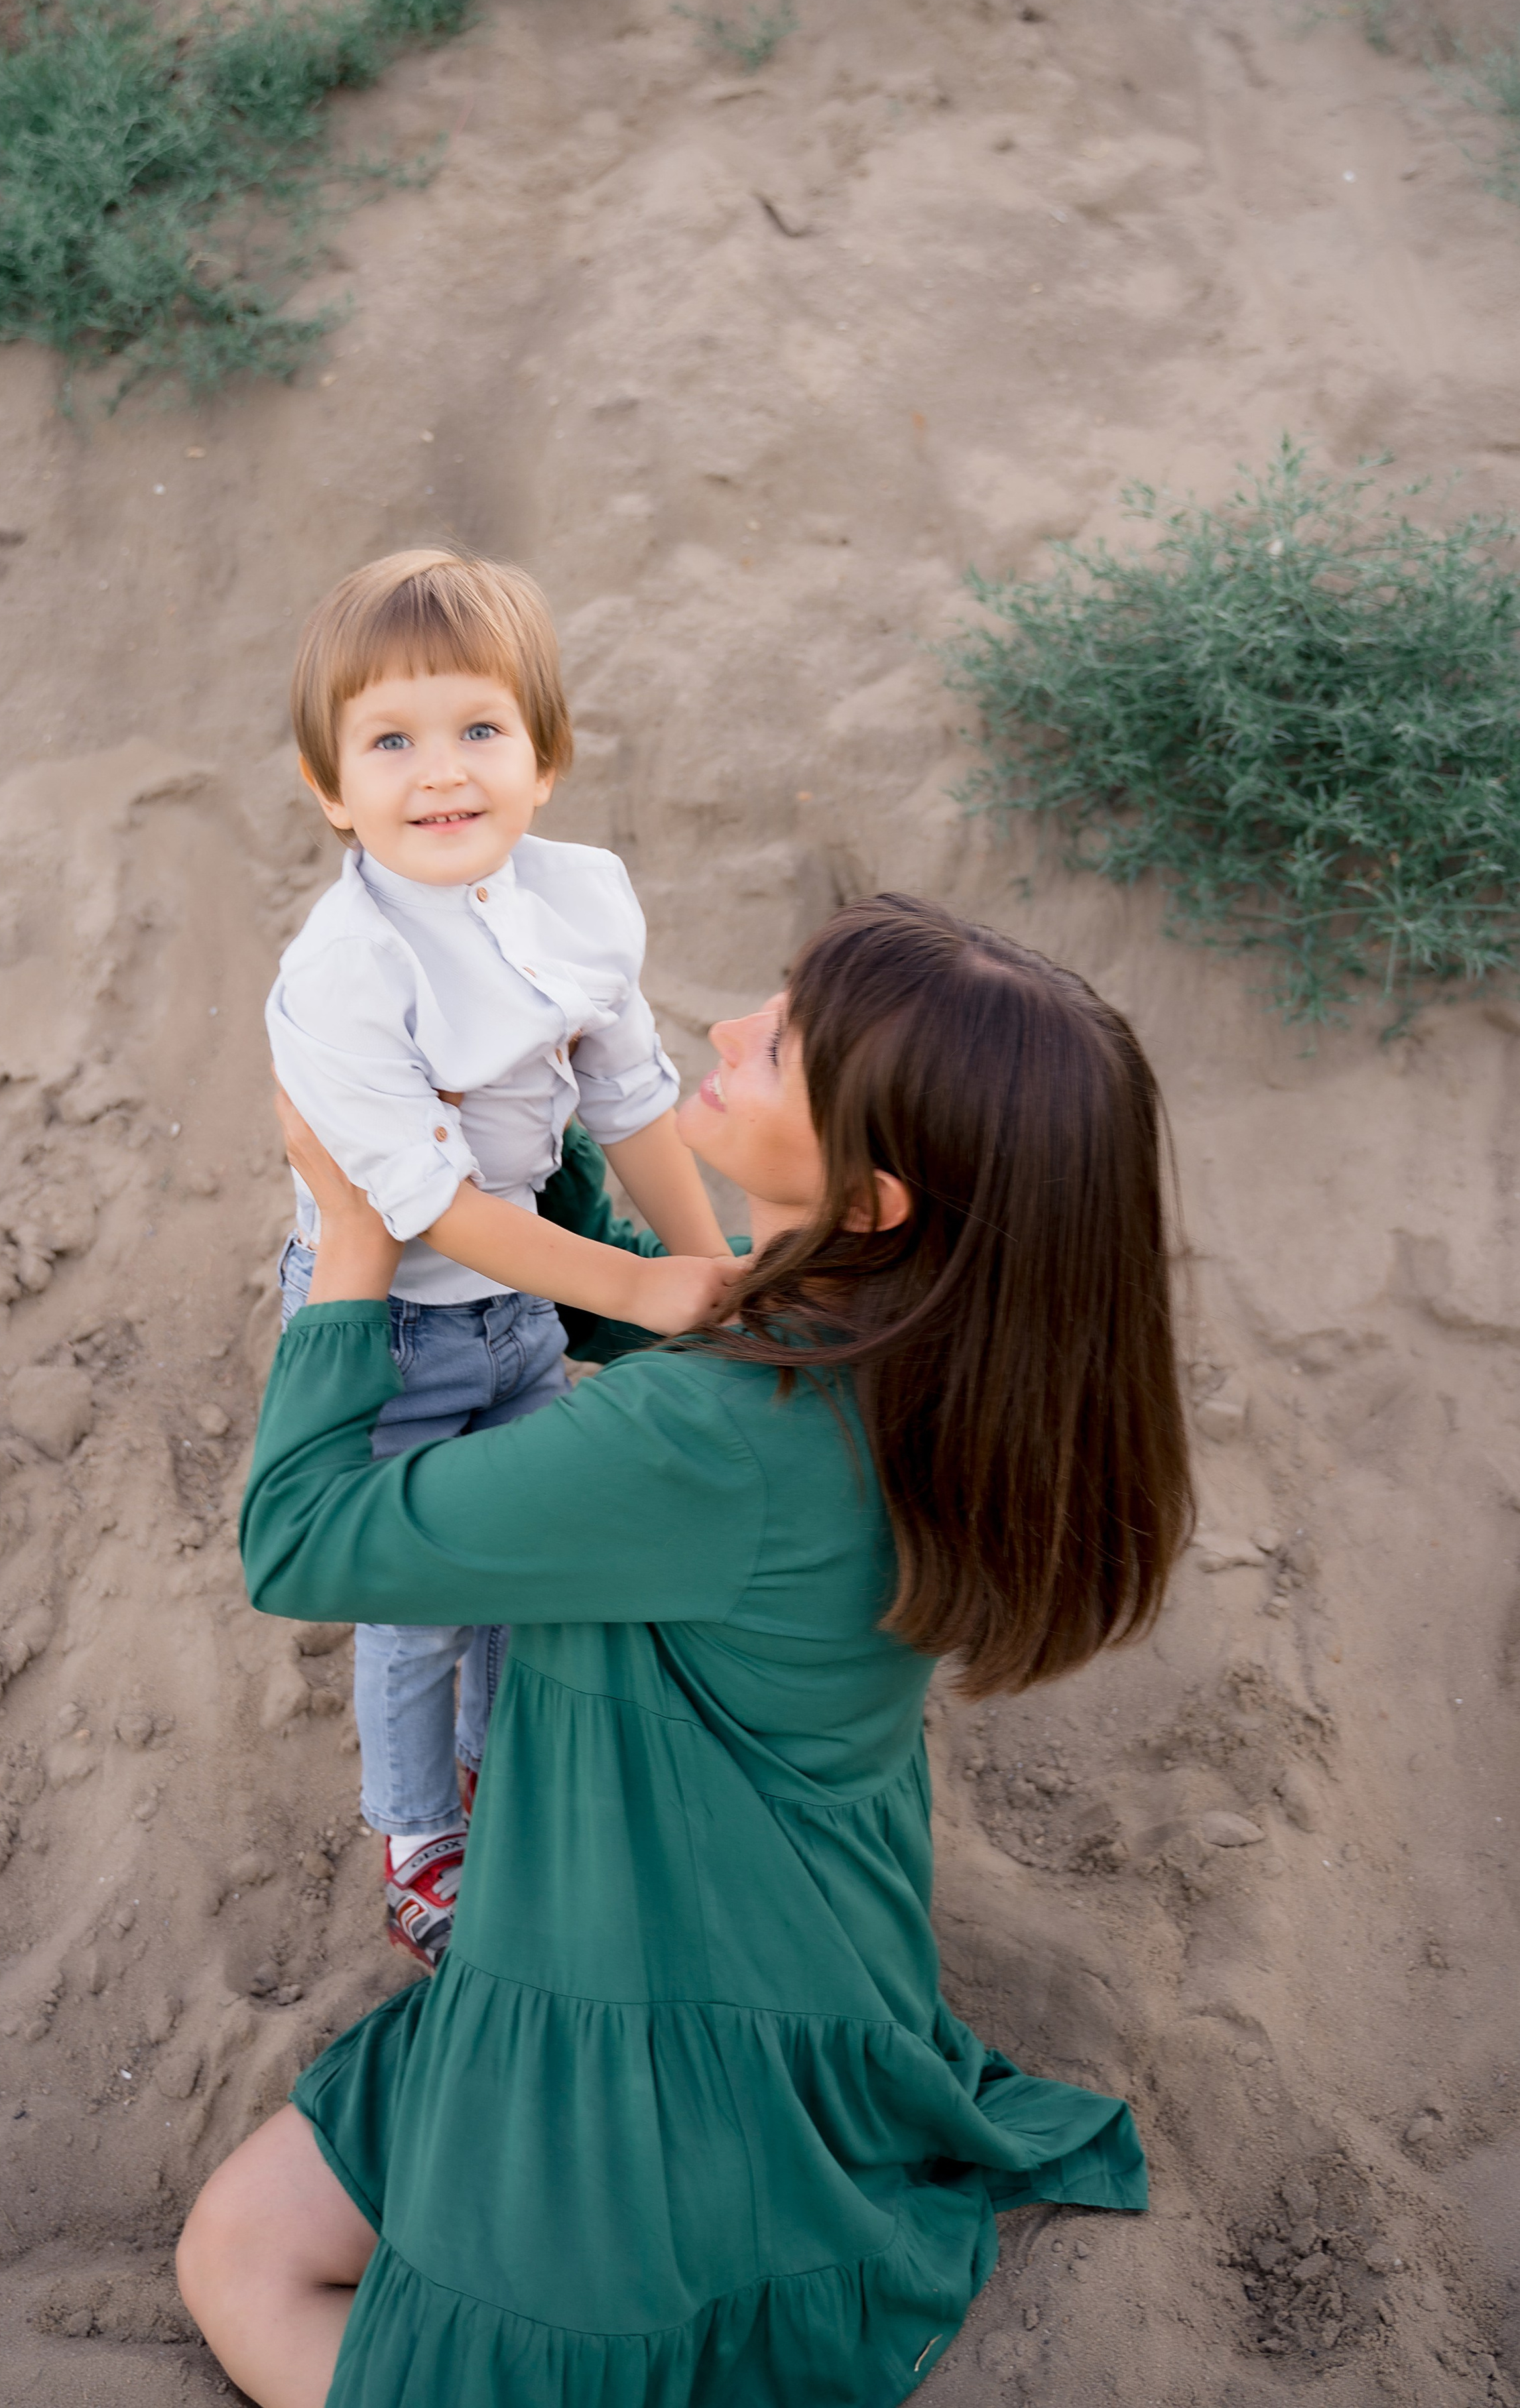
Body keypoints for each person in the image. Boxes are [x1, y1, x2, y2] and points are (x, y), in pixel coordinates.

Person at [180, 894, 1194, 2408]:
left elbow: (303, 1540)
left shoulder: (715, 1444)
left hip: (643, 1993)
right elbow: (661, 1315)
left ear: (870, 1200)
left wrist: (351, 1231)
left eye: (780, 1044)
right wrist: (531, 1151)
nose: (725, 1029)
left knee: (241, 2259)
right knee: (265, 2232)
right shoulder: (931, 1357)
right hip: (804, 1959)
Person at [265, 550, 733, 1964]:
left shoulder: (580, 896)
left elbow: (632, 1093)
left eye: (479, 730)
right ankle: (417, 1828)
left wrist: (706, 1265)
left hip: (524, 1299)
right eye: (390, 741)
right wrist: (638, 1289)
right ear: (331, 791)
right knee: (419, 1595)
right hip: (398, 1323)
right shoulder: (347, 969)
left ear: (544, 759)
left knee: (521, 1556)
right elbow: (422, 1205)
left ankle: (495, 1762)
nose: (440, 772)